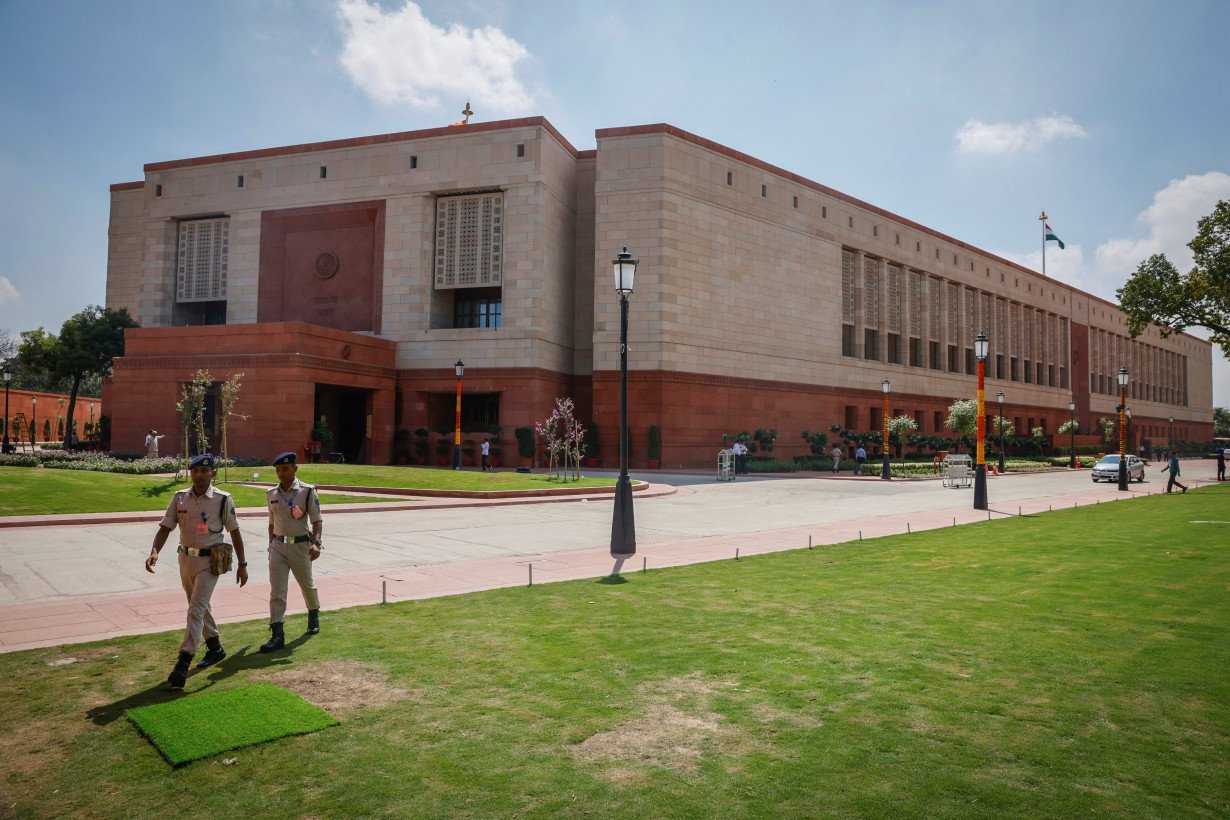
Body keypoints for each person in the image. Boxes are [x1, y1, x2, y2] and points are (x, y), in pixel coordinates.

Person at [145, 453, 247, 688]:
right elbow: (165, 527)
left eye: (204, 471)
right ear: (191, 473)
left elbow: (235, 532)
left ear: (213, 473)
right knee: (198, 607)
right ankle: (215, 647)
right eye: (195, 471)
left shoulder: (222, 499)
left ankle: (183, 661)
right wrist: (154, 551)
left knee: (195, 609)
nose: (199, 474)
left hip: (209, 562)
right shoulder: (180, 498)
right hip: (185, 559)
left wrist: (242, 565)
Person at [261, 451, 324, 652]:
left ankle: (313, 615)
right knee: (277, 590)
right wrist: (271, 545)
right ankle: (277, 633)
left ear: (295, 469)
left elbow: (316, 520)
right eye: (278, 470)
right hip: (278, 547)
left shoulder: (306, 491)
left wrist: (317, 543)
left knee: (307, 584)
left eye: (285, 469)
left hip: (300, 546)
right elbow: (272, 522)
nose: (281, 473)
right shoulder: (271, 494)